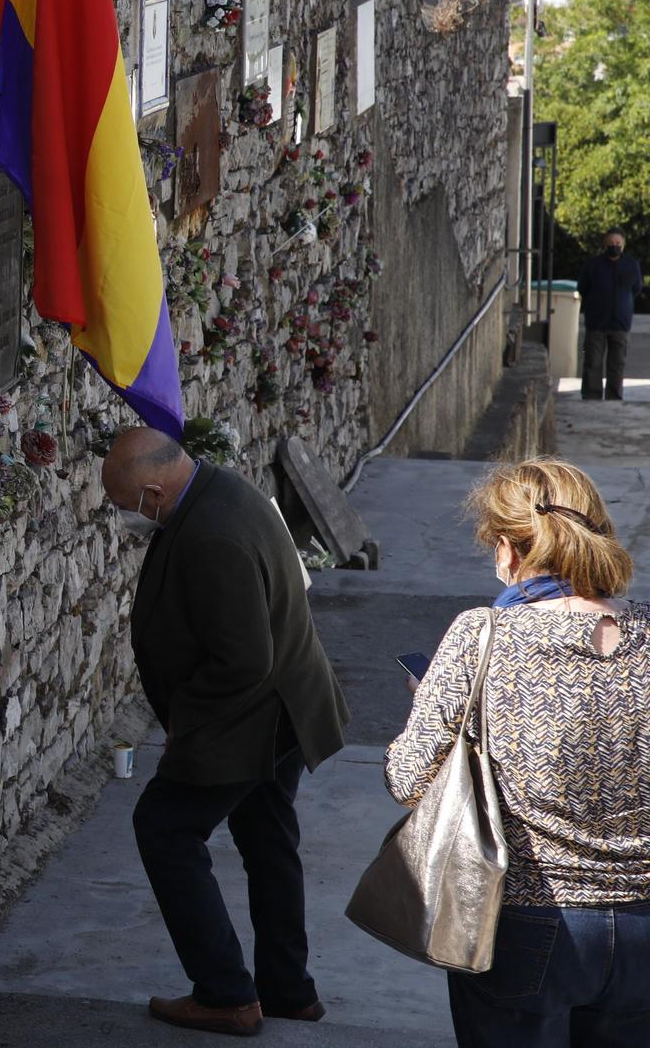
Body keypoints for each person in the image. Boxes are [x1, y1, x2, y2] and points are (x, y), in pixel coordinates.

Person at [387, 458, 650, 1046]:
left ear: (507, 550)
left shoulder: (482, 636)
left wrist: (434, 706)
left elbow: (407, 778)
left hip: (530, 923)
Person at [101, 428, 351, 1036]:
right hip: (288, 707)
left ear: (156, 489)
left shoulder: (212, 534)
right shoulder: (220, 490)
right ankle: (288, 990)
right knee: (268, 842)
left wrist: (186, 722)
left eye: (128, 504)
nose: (126, 518)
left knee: (164, 829)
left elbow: (242, 661)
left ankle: (225, 994)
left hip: (253, 718)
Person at [575, 229, 641, 401]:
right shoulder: (593, 264)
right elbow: (583, 287)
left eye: (618, 243)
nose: (614, 246)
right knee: (592, 362)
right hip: (596, 322)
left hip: (621, 324)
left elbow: (636, 289)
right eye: (611, 243)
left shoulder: (632, 265)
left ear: (623, 245)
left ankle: (614, 397)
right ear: (605, 244)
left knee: (617, 364)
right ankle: (591, 396)